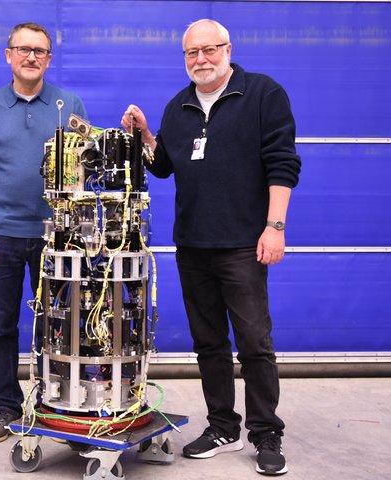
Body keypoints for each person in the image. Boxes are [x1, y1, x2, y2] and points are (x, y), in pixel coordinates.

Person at [122, 19, 301, 476]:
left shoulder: (262, 94)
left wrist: (274, 227)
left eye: (209, 49)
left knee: (255, 343)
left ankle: (265, 432)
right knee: (209, 343)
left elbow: (282, 162)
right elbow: (163, 166)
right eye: (191, 53)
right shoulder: (177, 106)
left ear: (227, 48)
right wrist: (145, 136)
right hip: (193, 244)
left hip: (243, 242)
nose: (200, 59)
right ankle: (223, 426)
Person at [0, 22, 87, 443]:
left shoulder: (70, 106)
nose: (31, 57)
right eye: (23, 49)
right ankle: (6, 407)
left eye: (40, 51)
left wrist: (79, 232)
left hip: (58, 238)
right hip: (1, 237)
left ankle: (57, 405)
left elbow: (84, 175)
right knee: (2, 326)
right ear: (9, 55)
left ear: (49, 60)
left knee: (61, 325)